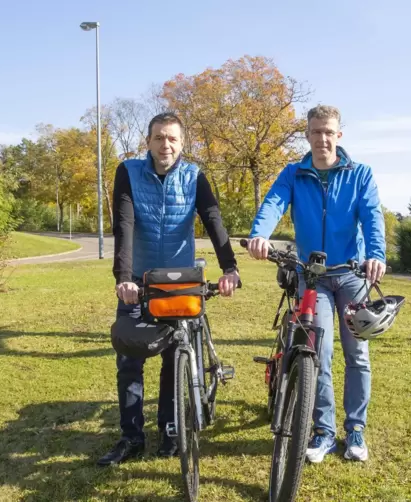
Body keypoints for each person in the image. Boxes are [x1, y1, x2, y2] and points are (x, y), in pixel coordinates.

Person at [98, 112, 240, 466]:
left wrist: (230, 268)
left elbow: (213, 220)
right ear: (148, 141)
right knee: (129, 360)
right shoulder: (128, 172)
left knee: (172, 359)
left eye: (173, 139)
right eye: (159, 138)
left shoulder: (194, 176)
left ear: (182, 143)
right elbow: (124, 225)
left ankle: (169, 430)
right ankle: (131, 437)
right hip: (140, 284)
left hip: (178, 285)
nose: (166, 145)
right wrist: (124, 278)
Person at [247, 105, 386, 463]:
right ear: (307, 135)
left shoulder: (360, 174)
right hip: (313, 277)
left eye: (329, 132)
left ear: (339, 136)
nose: (322, 138)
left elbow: (372, 218)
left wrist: (376, 254)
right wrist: (259, 235)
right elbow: (273, 204)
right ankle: (323, 430)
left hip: (352, 275)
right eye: (315, 132)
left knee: (357, 354)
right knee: (317, 354)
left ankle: (355, 429)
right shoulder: (294, 173)